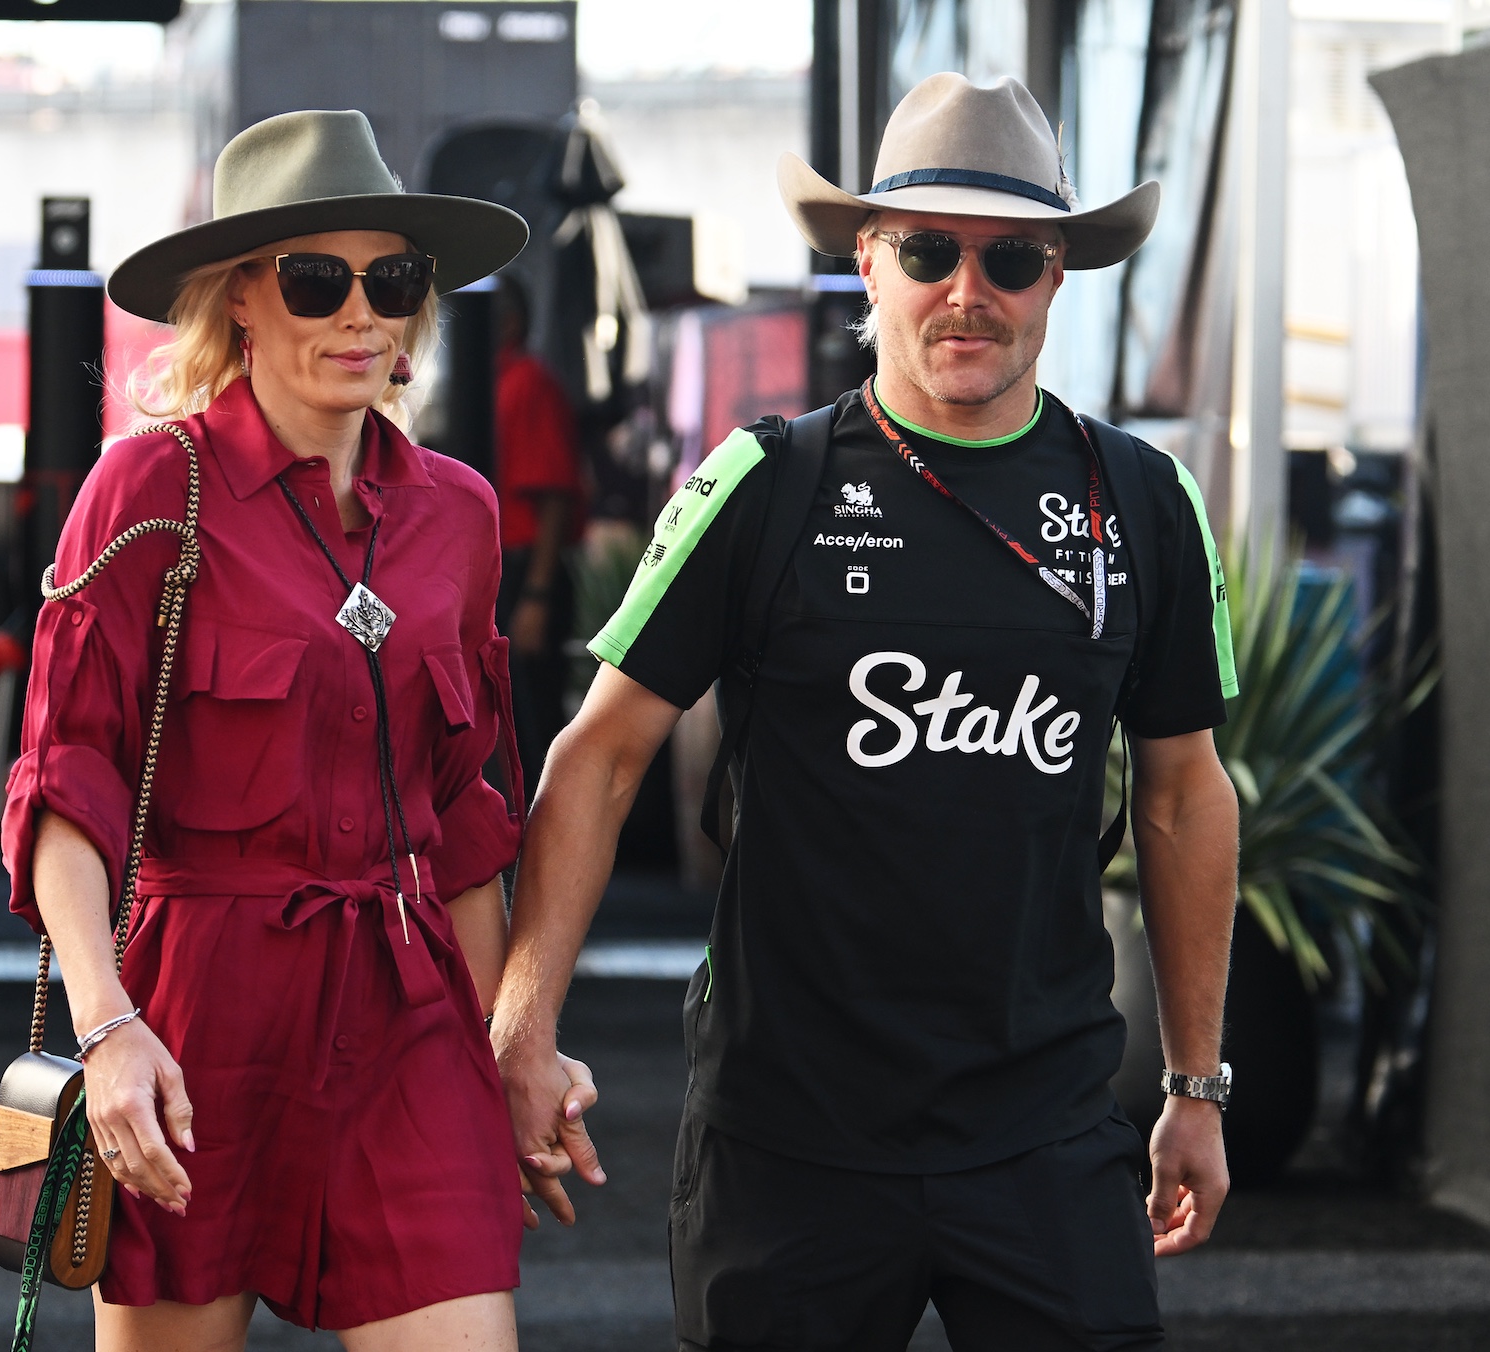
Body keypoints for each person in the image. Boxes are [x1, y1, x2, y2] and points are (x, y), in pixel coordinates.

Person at [493, 74, 1242, 1350]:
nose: (970, 290)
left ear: (1058, 273)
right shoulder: (763, 485)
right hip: (790, 1135)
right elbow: (602, 755)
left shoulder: (1146, 503)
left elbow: (1182, 792)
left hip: (1045, 1128)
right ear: (868, 259)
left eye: (1011, 255)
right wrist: (524, 1020)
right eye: (931, 250)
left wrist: (1194, 1085)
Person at [4, 110, 594, 1352]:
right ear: (241, 305)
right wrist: (108, 1030)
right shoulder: (148, 489)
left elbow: (469, 819)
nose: (361, 314)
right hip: (195, 1015)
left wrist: (512, 1047)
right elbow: (66, 784)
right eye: (318, 278)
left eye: (393, 278)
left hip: (405, 1008)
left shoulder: (461, 516)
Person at [490, 273, 584, 791]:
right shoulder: (492, 382)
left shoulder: (529, 382)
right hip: (504, 571)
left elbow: (554, 497)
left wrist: (537, 596)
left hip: (529, 570)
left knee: (532, 726)